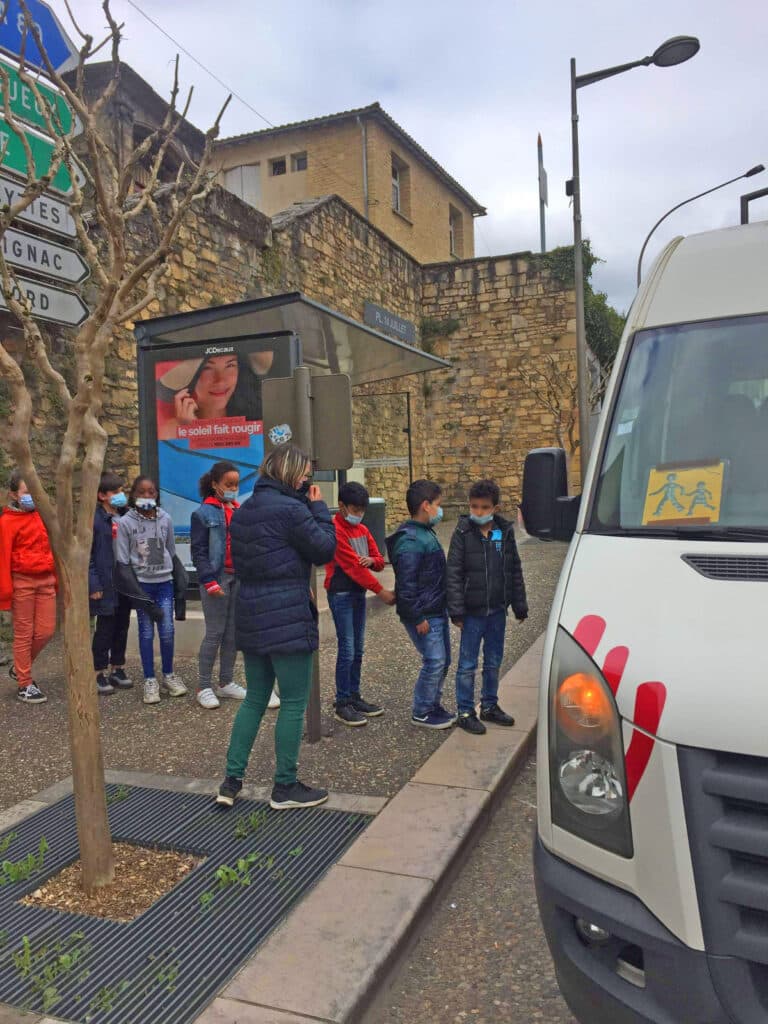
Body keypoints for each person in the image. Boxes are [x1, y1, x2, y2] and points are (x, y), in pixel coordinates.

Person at [216, 444, 336, 810]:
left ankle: (230, 782)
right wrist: (319, 508)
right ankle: (285, 786)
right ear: (290, 473)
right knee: (294, 701)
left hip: (251, 612)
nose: (306, 482)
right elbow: (324, 549)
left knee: (255, 697)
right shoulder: (293, 510)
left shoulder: (244, 510)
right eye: (304, 475)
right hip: (287, 615)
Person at [191, 460, 280, 710]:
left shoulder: (238, 510)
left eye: (236, 484)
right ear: (215, 484)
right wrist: (209, 581)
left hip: (238, 577)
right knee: (215, 632)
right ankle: (203, 686)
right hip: (216, 579)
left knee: (232, 634)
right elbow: (199, 552)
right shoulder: (203, 513)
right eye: (228, 484)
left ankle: (226, 681)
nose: (233, 488)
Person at [446, 479, 528, 735]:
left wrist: (519, 604)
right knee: (467, 664)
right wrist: (456, 610)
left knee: (493, 661)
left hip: (497, 612)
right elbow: (453, 574)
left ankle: (489, 705)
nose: (478, 512)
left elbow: (513, 569)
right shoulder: (462, 534)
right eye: (474, 506)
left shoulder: (503, 533)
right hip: (472, 614)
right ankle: (465, 711)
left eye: (484, 507)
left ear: (495, 508)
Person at [324, 481, 395, 727]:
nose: (359, 514)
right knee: (347, 648)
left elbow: (378, 559)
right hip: (341, 593)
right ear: (342, 506)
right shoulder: (335, 531)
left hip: (357, 593)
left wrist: (372, 561)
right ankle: (342, 702)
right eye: (355, 509)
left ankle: (354, 696)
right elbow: (353, 567)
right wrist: (380, 591)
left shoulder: (362, 530)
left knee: (358, 649)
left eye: (362, 510)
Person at [386, 479, 454, 730]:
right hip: (425, 614)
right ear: (426, 505)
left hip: (435, 609)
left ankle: (432, 704)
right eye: (438, 504)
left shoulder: (424, 534)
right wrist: (417, 618)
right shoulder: (412, 541)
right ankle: (422, 711)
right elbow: (406, 586)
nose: (440, 510)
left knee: (442, 661)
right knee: (434, 661)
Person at [116, 475, 188, 705]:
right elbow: (123, 561)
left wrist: (180, 582)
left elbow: (171, 551)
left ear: (157, 495)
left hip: (164, 583)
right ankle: (149, 679)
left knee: (167, 631)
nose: (147, 496)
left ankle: (169, 675)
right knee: (146, 633)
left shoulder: (165, 518)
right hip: (142, 585)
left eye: (151, 492)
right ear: (133, 494)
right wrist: (139, 594)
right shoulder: (125, 523)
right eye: (141, 492)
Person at [0, 469, 57, 704]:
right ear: (14, 495)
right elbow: (3, 558)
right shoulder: (7, 522)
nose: (32, 495)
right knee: (23, 634)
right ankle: (25, 683)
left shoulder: (41, 516)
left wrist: (56, 578)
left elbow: (51, 546)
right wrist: (5, 593)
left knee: (46, 631)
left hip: (46, 580)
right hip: (22, 582)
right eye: (26, 491)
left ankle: (20, 667)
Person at [89, 471, 133, 696]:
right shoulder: (95, 521)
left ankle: (117, 667)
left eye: (121, 491)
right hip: (106, 583)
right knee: (105, 628)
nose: (120, 495)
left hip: (125, 582)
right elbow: (89, 556)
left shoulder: (126, 516)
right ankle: (98, 671)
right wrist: (94, 584)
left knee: (122, 626)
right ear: (102, 495)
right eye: (115, 492)